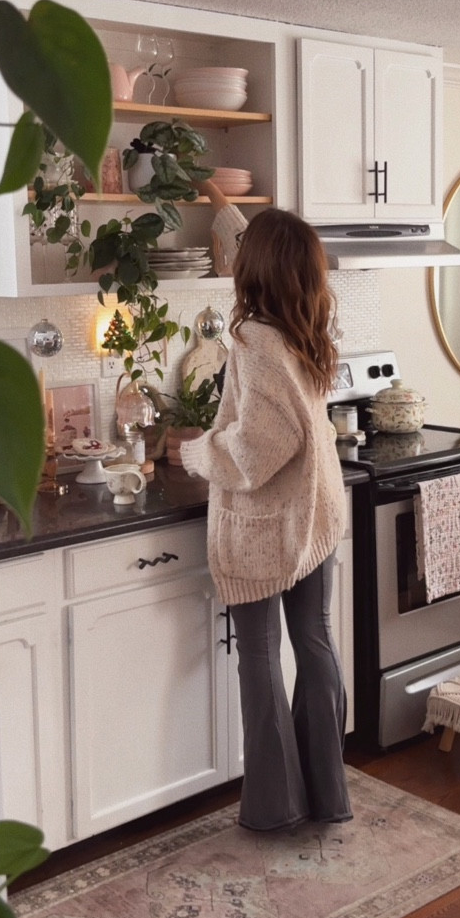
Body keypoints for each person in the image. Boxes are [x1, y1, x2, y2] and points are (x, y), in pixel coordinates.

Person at [179, 181, 352, 832]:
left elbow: (259, 447)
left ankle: (277, 808)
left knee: (259, 654)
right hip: (317, 513)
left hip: (269, 524)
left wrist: (196, 454)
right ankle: (327, 795)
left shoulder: (253, 338)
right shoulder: (305, 331)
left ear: (251, 269)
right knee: (313, 641)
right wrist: (223, 202)